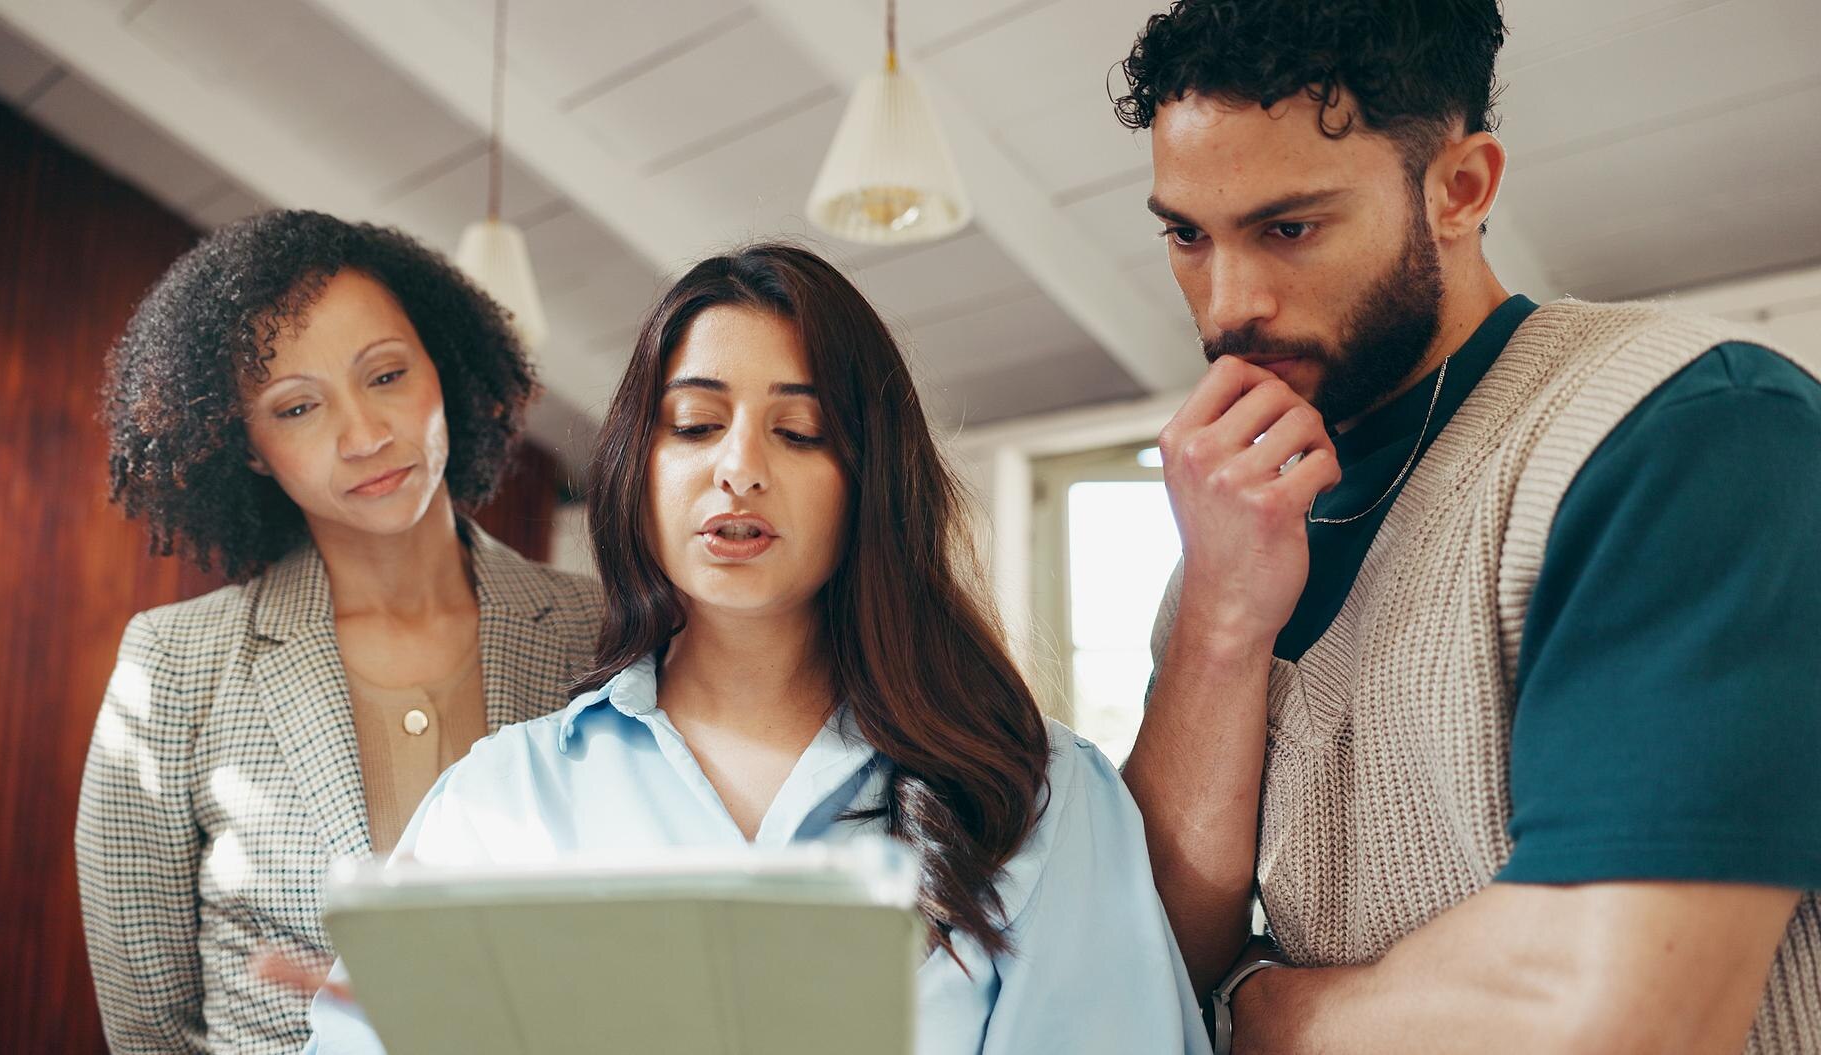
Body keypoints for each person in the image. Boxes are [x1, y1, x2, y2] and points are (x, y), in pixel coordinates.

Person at [1111, 2, 1821, 1052]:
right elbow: (1146, 955)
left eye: (1287, 227)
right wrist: (1217, 620)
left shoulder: (1686, 426)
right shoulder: (1229, 529)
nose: (1226, 304)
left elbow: (1619, 1015)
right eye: (1185, 233)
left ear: (1459, 188)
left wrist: (1261, 1009)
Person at [303, 243, 1211, 1054]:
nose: (738, 467)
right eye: (695, 425)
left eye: (799, 431)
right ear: (638, 468)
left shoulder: (1039, 795)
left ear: (869, 480)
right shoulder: (502, 798)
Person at [77, 210, 602, 1053]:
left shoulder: (598, 633)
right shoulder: (173, 667)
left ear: (443, 364)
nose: (364, 436)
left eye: (387, 374)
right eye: (295, 408)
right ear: (246, 446)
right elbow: (148, 1027)